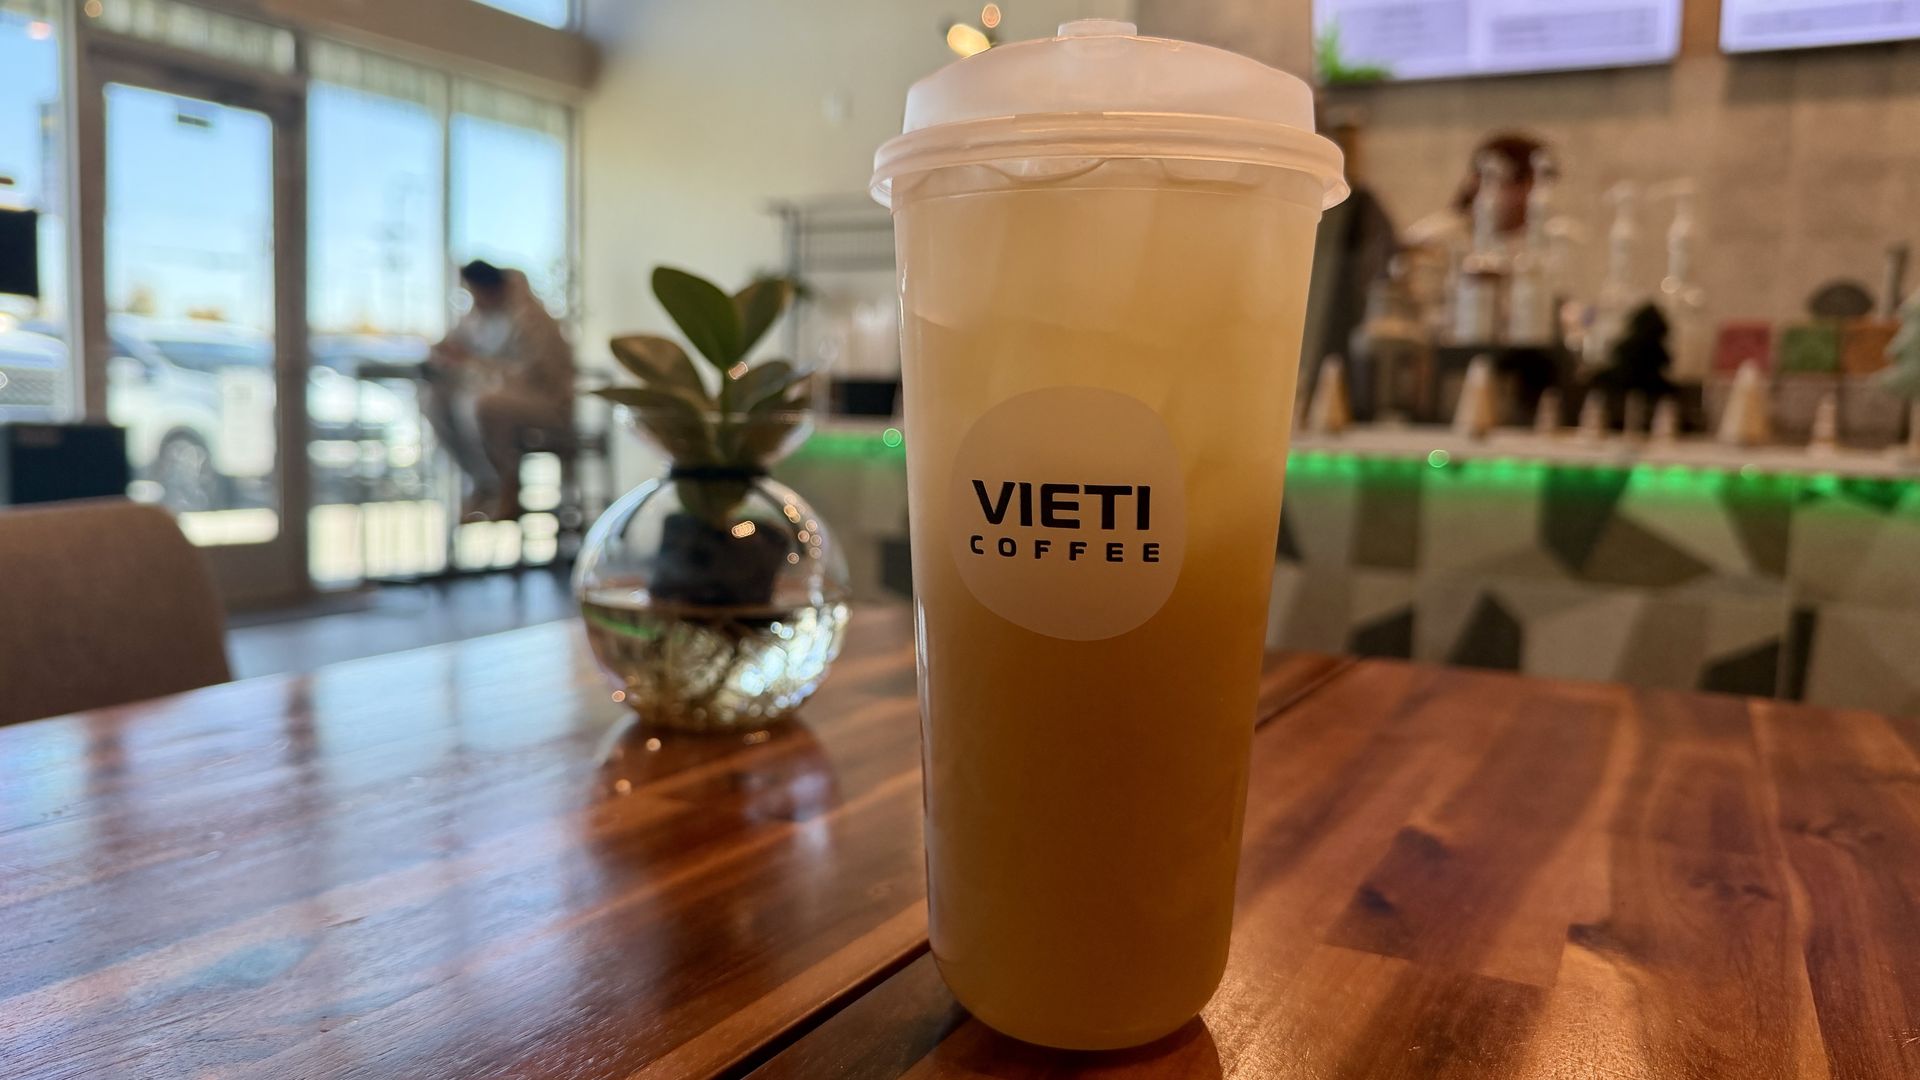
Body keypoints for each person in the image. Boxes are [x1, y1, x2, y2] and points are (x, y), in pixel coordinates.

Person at [424, 260, 575, 521]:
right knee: (433, 401)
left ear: (490, 288)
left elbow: (531, 375)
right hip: (498, 396)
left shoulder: (530, 317)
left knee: (484, 405)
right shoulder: (477, 317)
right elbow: (457, 346)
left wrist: (471, 361)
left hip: (545, 403)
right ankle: (481, 483)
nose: (474, 298)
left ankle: (507, 487)